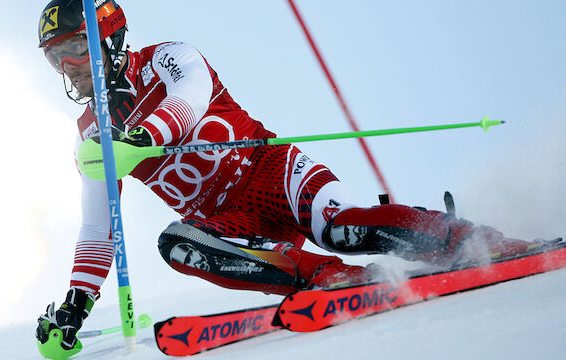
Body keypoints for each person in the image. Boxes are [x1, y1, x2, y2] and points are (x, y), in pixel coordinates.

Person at [35, 0, 551, 351]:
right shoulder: (90, 134)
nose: (68, 67)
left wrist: (140, 140)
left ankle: (470, 239)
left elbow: (188, 103)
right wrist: (77, 306)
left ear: (108, 37)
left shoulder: (169, 57)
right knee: (177, 245)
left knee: (342, 228)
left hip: (274, 174)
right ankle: (326, 279)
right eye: (55, 58)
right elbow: (98, 230)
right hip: (231, 223)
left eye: (74, 49)